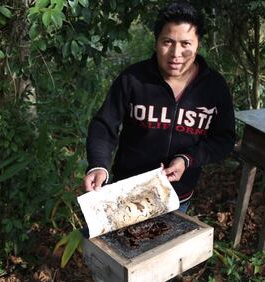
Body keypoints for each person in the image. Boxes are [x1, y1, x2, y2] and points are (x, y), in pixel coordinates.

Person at [83, 0, 235, 213]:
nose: (176, 53)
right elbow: (104, 125)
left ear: (198, 43)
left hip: (177, 199)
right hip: (127, 192)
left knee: (166, 247)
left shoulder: (214, 87)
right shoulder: (133, 79)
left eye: (185, 43)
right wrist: (99, 164)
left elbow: (224, 139)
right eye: (167, 42)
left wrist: (187, 159)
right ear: (156, 42)